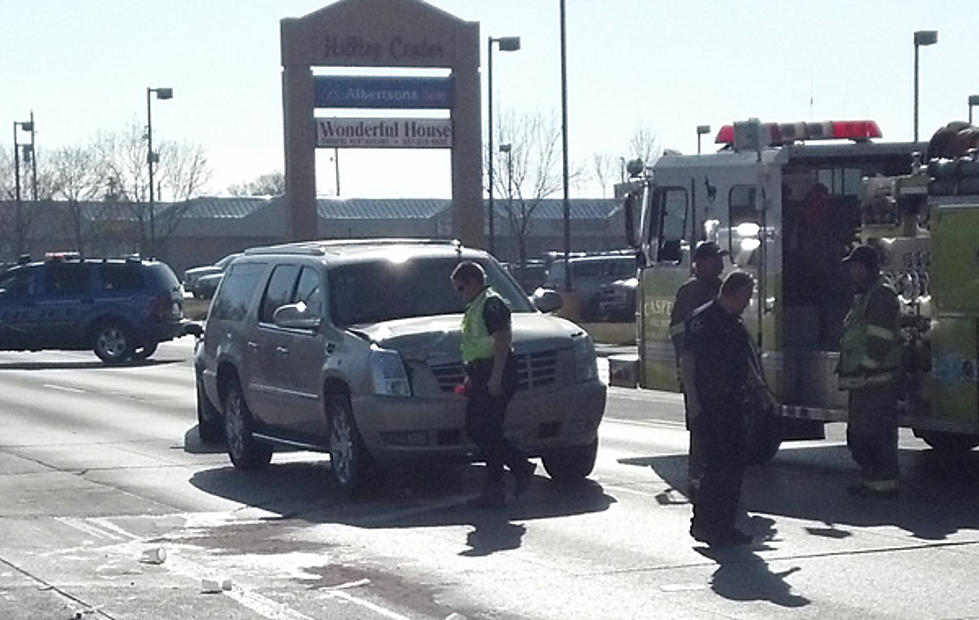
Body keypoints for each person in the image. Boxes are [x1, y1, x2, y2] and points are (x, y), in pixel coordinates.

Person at [680, 270, 757, 546]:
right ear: (733, 294)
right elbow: (688, 362)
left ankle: (722, 525)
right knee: (717, 468)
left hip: (733, 402)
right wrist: (693, 402)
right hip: (712, 404)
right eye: (746, 297)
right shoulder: (704, 319)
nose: (748, 303)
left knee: (732, 467)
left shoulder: (734, 322)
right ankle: (705, 524)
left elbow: (743, 361)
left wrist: (760, 389)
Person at [451, 261, 535, 508]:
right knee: (484, 430)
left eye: (461, 287)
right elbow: (477, 343)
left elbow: (502, 340)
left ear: (473, 281)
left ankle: (520, 467)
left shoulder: (491, 303)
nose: (460, 293)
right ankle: (495, 488)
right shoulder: (477, 305)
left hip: (496, 372)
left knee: (482, 429)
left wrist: (496, 376)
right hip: (482, 373)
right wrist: (471, 376)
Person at [837, 245, 901, 498]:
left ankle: (883, 485)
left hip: (876, 381)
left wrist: (865, 366)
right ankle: (871, 481)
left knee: (875, 436)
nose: (851, 271)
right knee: (861, 436)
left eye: (854, 266)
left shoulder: (881, 296)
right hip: (864, 382)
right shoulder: (866, 295)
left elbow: (880, 338)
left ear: (865, 267)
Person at [670, 240, 728, 499]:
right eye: (714, 258)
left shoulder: (721, 288)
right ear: (700, 262)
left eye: (720, 258)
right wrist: (687, 366)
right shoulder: (689, 292)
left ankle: (718, 478)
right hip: (698, 372)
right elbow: (678, 331)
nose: (719, 263)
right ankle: (697, 480)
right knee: (701, 427)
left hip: (723, 372)